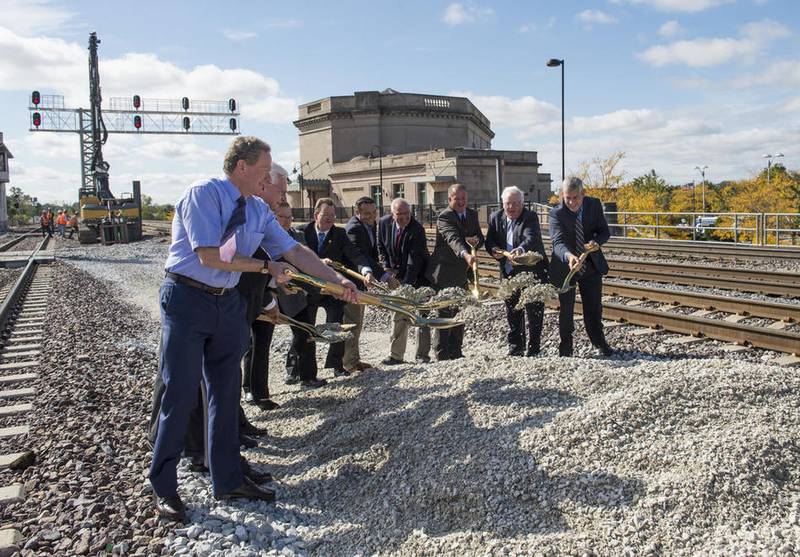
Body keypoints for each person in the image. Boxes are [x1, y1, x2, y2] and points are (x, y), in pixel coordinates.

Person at [150, 136, 357, 522]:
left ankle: (227, 479)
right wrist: (267, 268)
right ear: (242, 167)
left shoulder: (257, 210)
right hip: (187, 300)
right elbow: (209, 255)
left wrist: (335, 282)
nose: (270, 176)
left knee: (225, 394)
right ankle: (163, 486)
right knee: (179, 392)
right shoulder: (204, 195)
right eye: (265, 168)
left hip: (225, 303)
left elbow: (294, 251)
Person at [301, 198, 374, 378]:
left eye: (333, 216)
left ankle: (336, 365)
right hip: (307, 288)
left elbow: (355, 255)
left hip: (332, 290)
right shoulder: (302, 232)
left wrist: (365, 271)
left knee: (338, 324)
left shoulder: (339, 234)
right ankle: (300, 371)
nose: (330, 219)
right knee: (304, 328)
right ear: (315, 215)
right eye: (326, 215)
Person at [239, 163, 289, 411]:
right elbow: (242, 264)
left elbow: (295, 252)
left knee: (261, 345)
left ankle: (257, 395)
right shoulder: (240, 211)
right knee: (234, 357)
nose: (284, 197)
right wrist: (269, 302)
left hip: (261, 296)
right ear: (264, 183)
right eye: (282, 191)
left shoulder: (259, 212)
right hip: (236, 299)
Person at [549, 176, 614, 358]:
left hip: (591, 264)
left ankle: (599, 343)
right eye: (567, 198)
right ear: (562, 195)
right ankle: (566, 348)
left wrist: (596, 242)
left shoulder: (594, 205)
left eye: (575, 198)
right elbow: (557, 242)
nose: (571, 202)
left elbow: (604, 231)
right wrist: (569, 256)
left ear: (583, 194)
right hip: (566, 267)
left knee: (594, 307)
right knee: (566, 309)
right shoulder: (556, 213)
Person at [485, 186, 549, 357]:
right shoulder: (495, 217)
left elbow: (531, 237)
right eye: (508, 204)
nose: (511, 208)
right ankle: (515, 347)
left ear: (522, 203)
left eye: (515, 204)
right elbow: (489, 240)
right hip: (508, 272)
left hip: (532, 272)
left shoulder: (530, 217)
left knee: (534, 310)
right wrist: (494, 250)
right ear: (503, 203)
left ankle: (534, 348)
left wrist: (520, 250)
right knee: (512, 311)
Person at [425, 183, 484, 361]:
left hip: (462, 272)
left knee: (460, 311)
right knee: (444, 311)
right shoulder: (444, 217)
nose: (460, 202)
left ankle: (456, 351)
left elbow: (479, 238)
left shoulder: (472, 215)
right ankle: (442, 353)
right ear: (450, 199)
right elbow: (453, 239)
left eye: (463, 199)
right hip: (444, 272)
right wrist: (466, 254)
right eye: (456, 199)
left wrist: (476, 242)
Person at [377, 198, 431, 365]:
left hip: (418, 275)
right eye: (400, 215)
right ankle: (396, 355)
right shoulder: (384, 224)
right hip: (396, 274)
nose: (405, 218)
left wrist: (405, 286)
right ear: (393, 214)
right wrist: (386, 268)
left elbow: (414, 261)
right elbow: (381, 247)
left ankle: (422, 355)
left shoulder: (417, 229)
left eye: (408, 214)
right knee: (398, 314)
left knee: (422, 315)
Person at [342, 197, 380, 373]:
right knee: (352, 322)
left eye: (373, 213)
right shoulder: (354, 229)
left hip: (361, 281)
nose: (371, 216)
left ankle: (352, 359)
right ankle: (349, 362)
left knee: (357, 321)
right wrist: (383, 274)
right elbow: (362, 256)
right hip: (352, 283)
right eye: (366, 213)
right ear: (357, 212)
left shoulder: (369, 225)